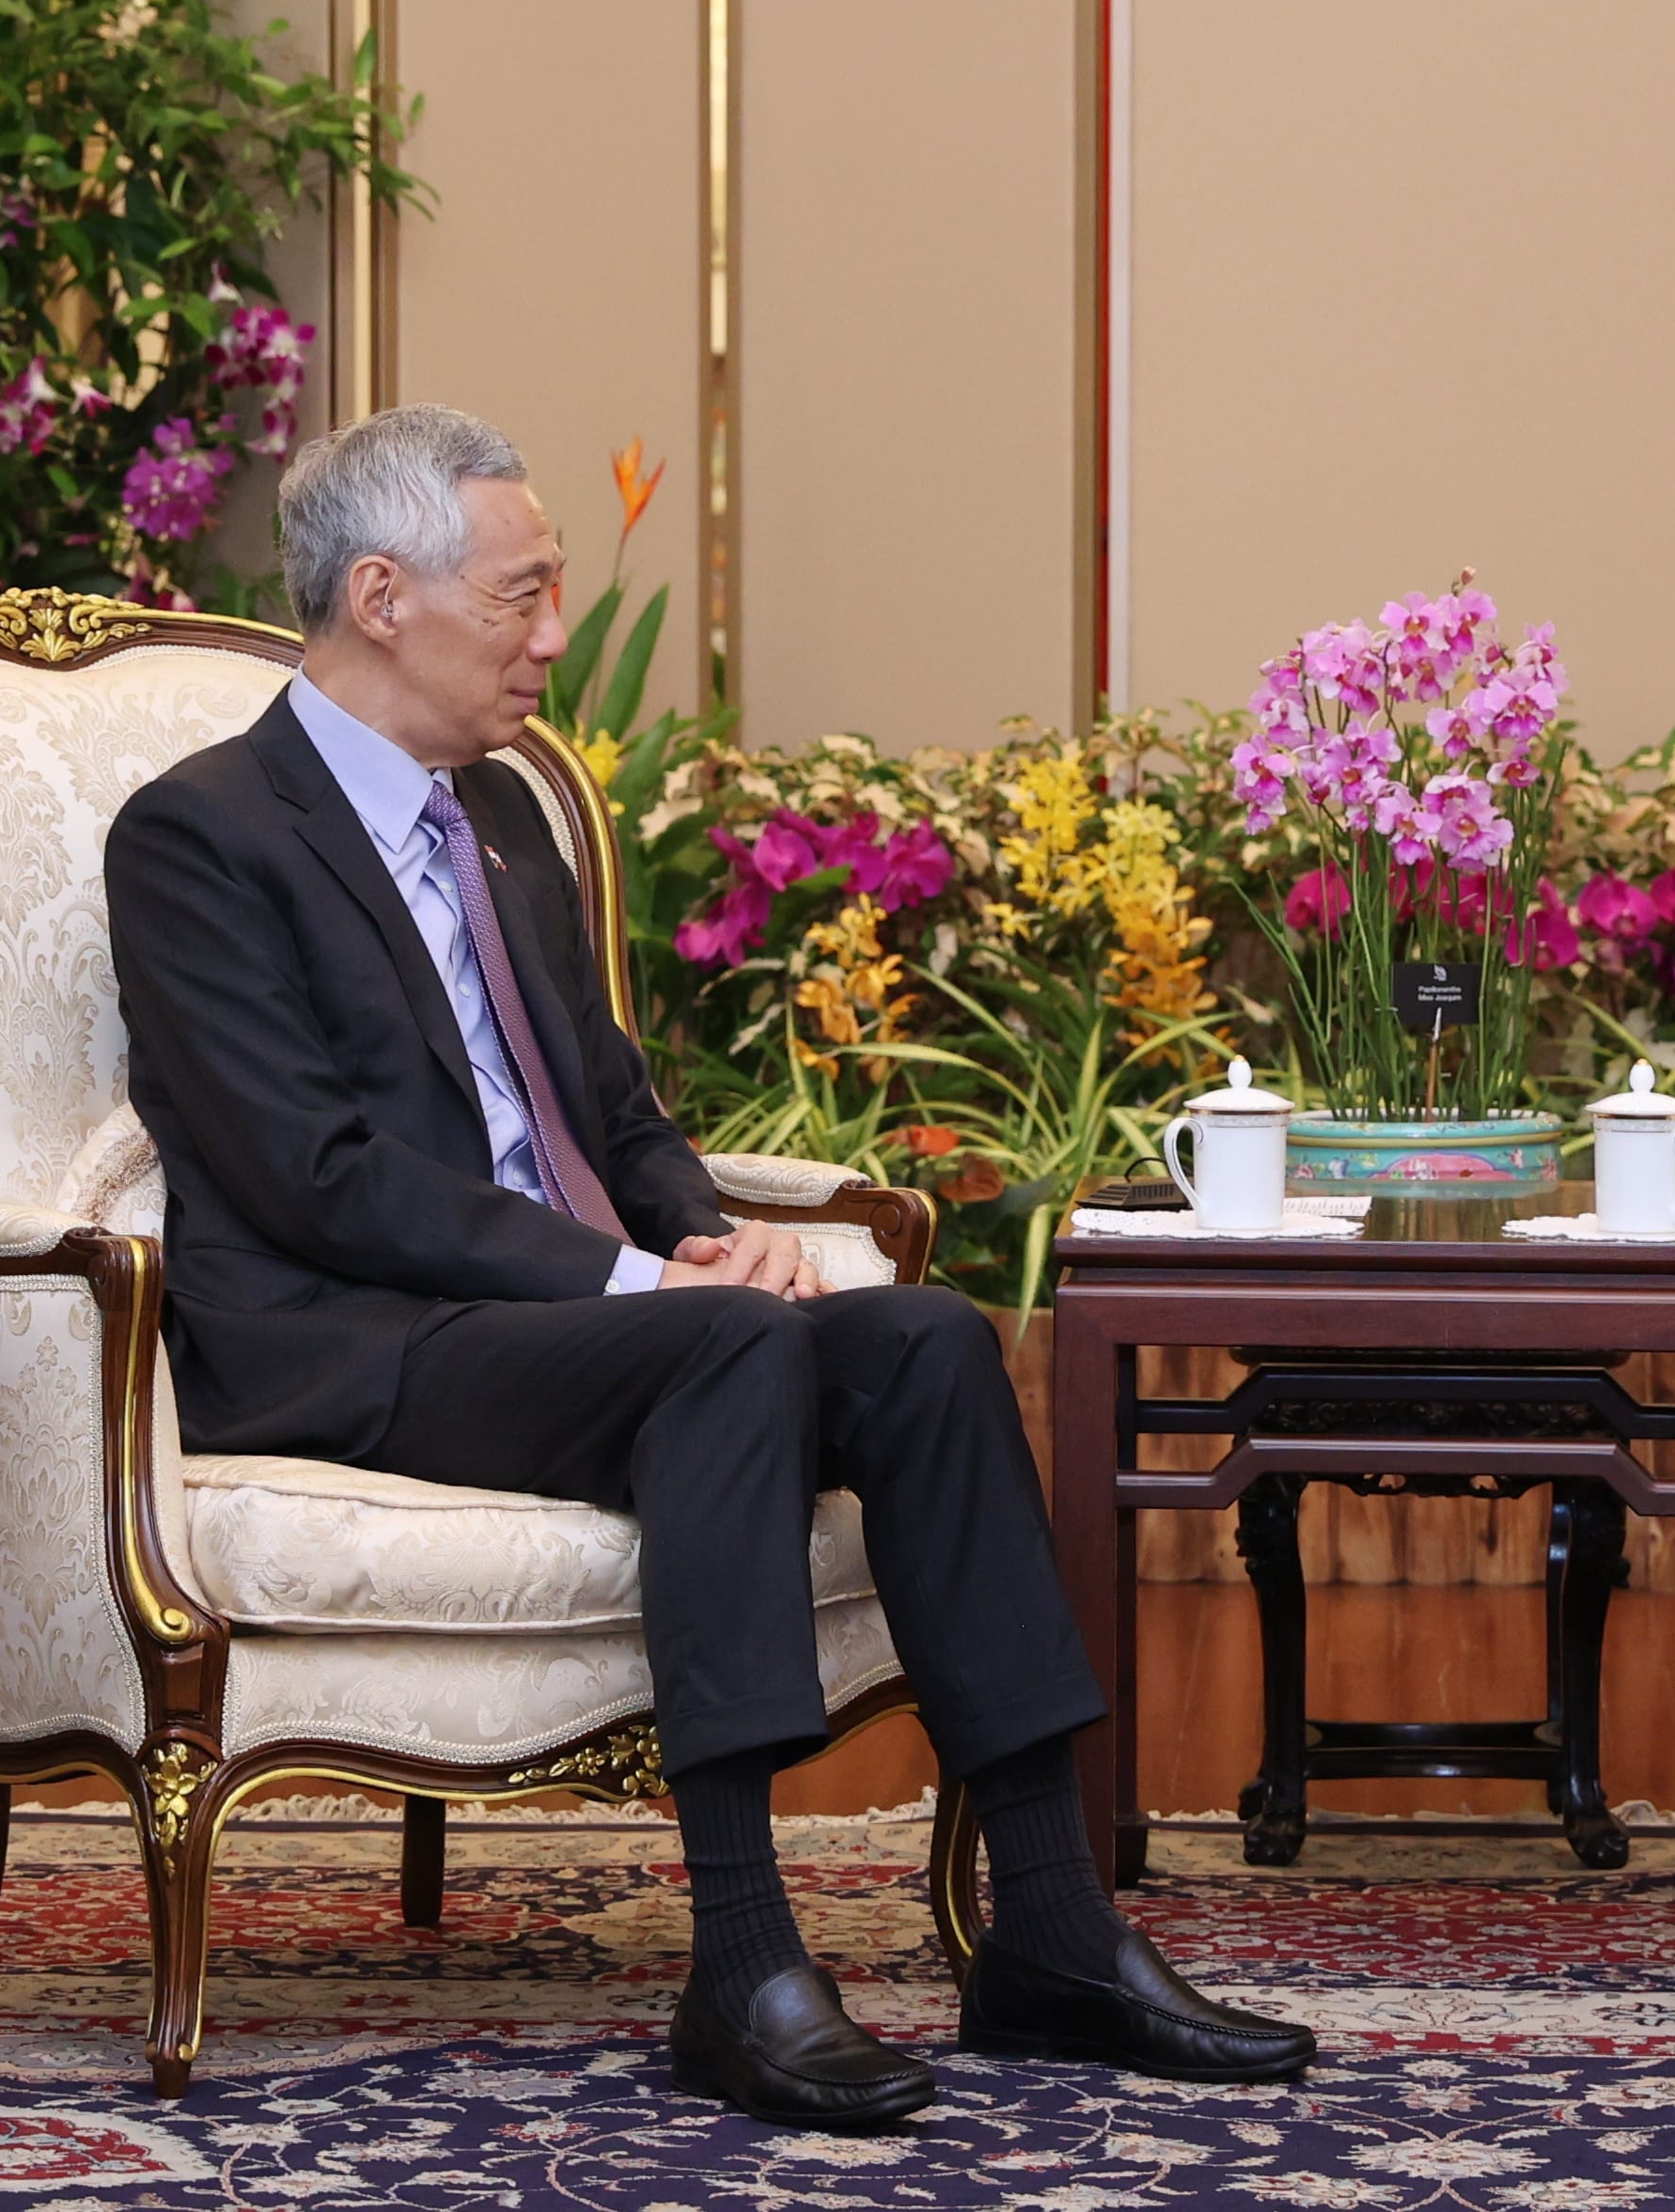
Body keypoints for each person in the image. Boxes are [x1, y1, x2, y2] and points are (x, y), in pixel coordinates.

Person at [104, 404, 1314, 2131]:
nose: (552, 635)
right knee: (726, 1350)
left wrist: (700, 1230)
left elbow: (608, 1100)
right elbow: (318, 1177)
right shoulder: (201, 836)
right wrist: (646, 1293)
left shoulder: (498, 816)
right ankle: (741, 1959)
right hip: (362, 1339)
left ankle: (1048, 1923)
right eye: (520, 595)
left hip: (575, 1329)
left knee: (928, 1343)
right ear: (380, 595)